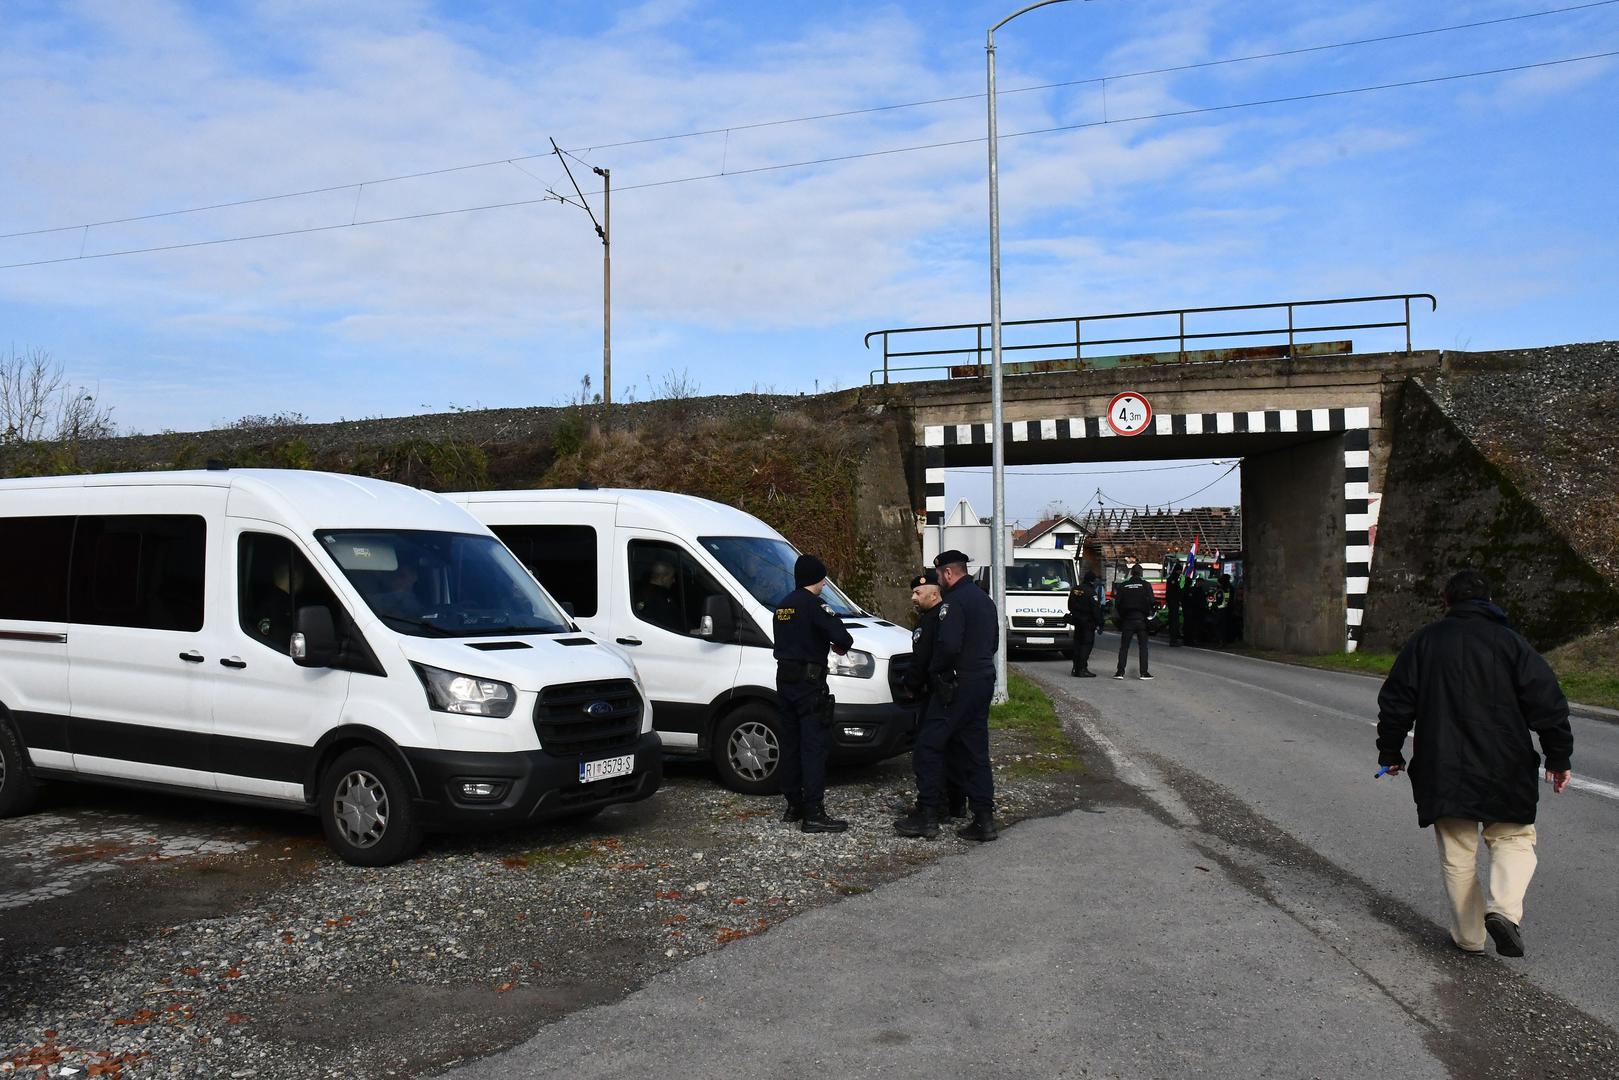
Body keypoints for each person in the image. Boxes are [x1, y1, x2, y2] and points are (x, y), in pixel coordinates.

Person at [1375, 570, 1574, 958]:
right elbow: (1548, 704)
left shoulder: (1424, 642)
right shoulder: (1512, 644)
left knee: (1458, 853)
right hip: (1507, 764)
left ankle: (1469, 937)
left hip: (1442, 766)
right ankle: (1504, 911)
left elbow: (1395, 703)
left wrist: (1391, 753)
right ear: (1490, 601)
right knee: (1513, 838)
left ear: (1446, 601)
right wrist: (1558, 757)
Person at [895, 549, 1000, 842]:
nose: (938, 580)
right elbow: (993, 642)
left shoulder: (952, 603)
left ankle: (928, 814)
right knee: (975, 752)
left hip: (957, 686)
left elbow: (949, 646)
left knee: (928, 746)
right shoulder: (984, 600)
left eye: (940, 575)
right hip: (982, 681)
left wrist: (936, 672)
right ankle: (984, 819)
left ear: (949, 573)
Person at [773, 553, 856, 834]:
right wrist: (838, 645)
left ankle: (793, 805)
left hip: (785, 681)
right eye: (822, 580)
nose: (824, 585)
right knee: (813, 746)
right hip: (809, 685)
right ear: (816, 579)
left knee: (790, 743)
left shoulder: (782, 606)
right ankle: (814, 813)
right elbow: (842, 637)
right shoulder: (815, 604)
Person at [898, 570, 967, 818]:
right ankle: (954, 803)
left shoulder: (930, 621)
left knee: (927, 751)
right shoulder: (946, 617)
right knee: (951, 748)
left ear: (934, 594)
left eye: (918, 593)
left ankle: (931, 806)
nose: (913, 598)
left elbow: (921, 661)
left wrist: (909, 685)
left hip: (934, 693)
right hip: (952, 692)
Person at [1112, 564, 1154, 680]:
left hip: (1127, 619)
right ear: (1141, 573)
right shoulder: (1145, 585)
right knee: (1143, 647)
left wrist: (1122, 615)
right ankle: (1144, 673)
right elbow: (1152, 601)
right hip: (1141, 619)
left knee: (1124, 647)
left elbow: (1117, 603)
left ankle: (1120, 672)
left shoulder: (1123, 585)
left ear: (1131, 573)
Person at [1065, 569, 1102, 677]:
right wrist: (1100, 623)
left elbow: (1070, 606)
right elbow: (1096, 610)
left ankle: (1075, 668)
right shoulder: (1091, 592)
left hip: (1077, 621)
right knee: (1086, 645)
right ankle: (1082, 669)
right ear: (1092, 581)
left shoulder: (1075, 589)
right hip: (1088, 623)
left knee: (1077, 645)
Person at [633, 559, 684, 633]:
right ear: (663, 578)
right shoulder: (661, 597)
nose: (674, 580)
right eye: (672, 577)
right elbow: (671, 623)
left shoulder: (639, 589)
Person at [1165, 561, 1184, 647]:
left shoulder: (1174, 578)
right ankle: (1173, 640)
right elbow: (1173, 592)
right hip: (1173, 603)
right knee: (1174, 621)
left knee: (1174, 621)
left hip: (1173, 602)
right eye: (1180, 570)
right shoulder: (1173, 579)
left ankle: (1174, 639)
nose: (1180, 572)